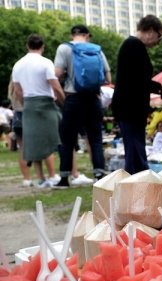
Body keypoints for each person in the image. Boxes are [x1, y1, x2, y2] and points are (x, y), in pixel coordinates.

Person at [112, 15, 162, 174]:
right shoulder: (134, 46)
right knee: (135, 151)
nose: (158, 42)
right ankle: (137, 182)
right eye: (159, 37)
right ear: (150, 30)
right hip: (130, 107)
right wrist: (161, 87)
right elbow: (138, 80)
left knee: (136, 148)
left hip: (130, 107)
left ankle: (138, 180)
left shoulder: (133, 45)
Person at [54, 24, 111, 187]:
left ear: (73, 34)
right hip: (93, 98)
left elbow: (57, 73)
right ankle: (99, 174)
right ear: (88, 35)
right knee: (95, 138)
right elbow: (107, 76)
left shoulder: (64, 49)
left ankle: (64, 178)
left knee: (68, 139)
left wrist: (66, 77)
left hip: (73, 98)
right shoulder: (97, 50)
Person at [11, 34, 64, 188]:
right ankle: (53, 175)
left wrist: (24, 103)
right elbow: (55, 86)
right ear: (43, 46)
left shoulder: (18, 65)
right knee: (49, 140)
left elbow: (17, 90)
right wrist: (62, 100)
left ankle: (41, 178)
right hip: (46, 103)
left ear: (27, 45)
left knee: (33, 142)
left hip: (28, 104)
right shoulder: (45, 62)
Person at [8, 80, 32, 186]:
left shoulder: (12, 88)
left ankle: (26, 179)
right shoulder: (26, 84)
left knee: (22, 148)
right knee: (41, 144)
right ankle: (47, 176)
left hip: (17, 116)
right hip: (28, 114)